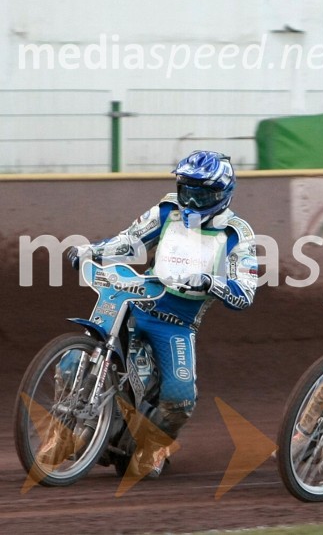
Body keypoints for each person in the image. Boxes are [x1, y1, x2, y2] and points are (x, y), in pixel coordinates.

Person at [37, 151, 258, 478]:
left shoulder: (237, 235)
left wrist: (213, 282)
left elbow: (246, 292)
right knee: (75, 358)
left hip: (177, 323)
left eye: (203, 193)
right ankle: (63, 428)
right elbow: (130, 242)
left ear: (223, 194)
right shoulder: (168, 209)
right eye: (188, 190)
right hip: (134, 299)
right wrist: (92, 250)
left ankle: (152, 445)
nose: (193, 201)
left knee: (180, 398)